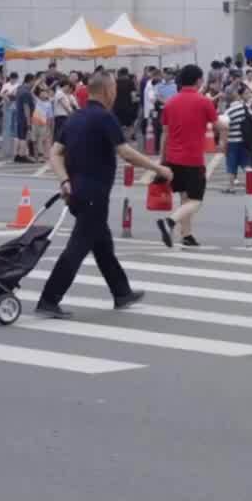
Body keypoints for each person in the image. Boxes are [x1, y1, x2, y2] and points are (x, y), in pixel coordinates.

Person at [35, 73, 172, 319]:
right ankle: (49, 298)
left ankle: (121, 292)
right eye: (114, 89)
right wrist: (158, 168)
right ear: (108, 90)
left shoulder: (75, 117)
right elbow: (125, 152)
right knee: (76, 248)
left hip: (77, 191)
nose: (116, 94)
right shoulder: (104, 117)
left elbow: (55, 154)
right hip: (94, 194)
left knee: (102, 245)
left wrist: (65, 180)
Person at [154, 64, 223, 250]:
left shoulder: (170, 103)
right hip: (193, 159)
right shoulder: (203, 102)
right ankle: (169, 222)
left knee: (184, 197)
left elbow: (165, 134)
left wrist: (162, 159)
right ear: (198, 80)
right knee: (196, 200)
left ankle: (187, 234)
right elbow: (217, 126)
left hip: (173, 159)